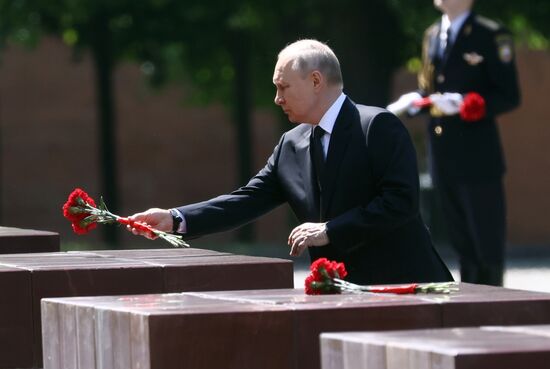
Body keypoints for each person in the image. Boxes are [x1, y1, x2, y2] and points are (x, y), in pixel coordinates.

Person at [129, 39, 452, 285]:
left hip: (406, 287)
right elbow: (247, 200)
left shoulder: (377, 126)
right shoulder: (291, 144)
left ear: (315, 81)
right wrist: (175, 219)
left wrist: (331, 230)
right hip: (337, 292)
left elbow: (401, 202)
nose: (277, 98)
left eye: (283, 87)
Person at [387, 0, 520, 286]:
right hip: (444, 153)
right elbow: (431, 88)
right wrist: (417, 102)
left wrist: (469, 104)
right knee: (460, 241)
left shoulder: (491, 34)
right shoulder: (433, 34)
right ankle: (471, 303)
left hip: (478, 155)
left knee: (486, 239)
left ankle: (493, 302)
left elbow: (509, 94)